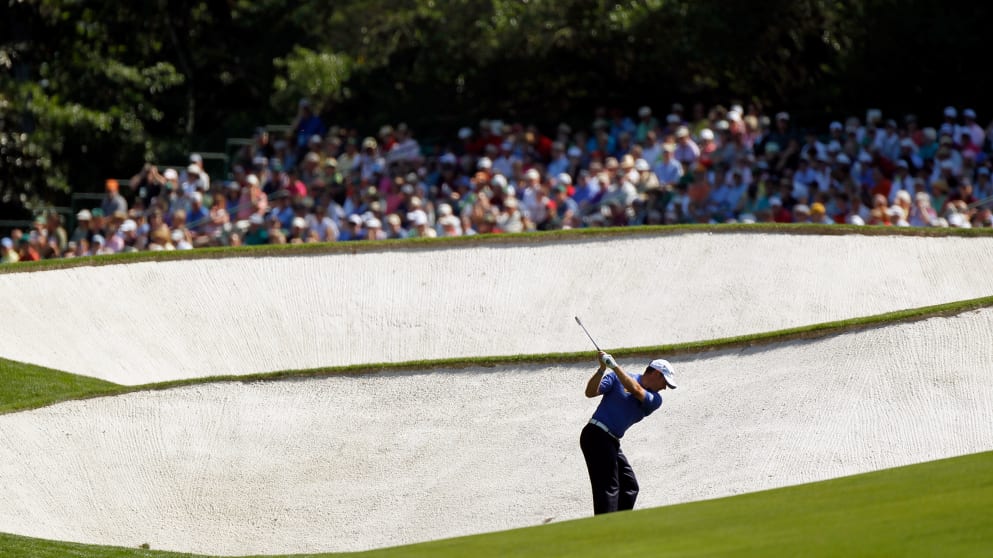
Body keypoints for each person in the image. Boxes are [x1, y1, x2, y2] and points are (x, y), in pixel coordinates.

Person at [580, 350, 677, 515]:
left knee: (629, 486)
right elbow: (590, 392)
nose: (664, 388)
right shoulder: (617, 378)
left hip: (611, 441)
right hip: (596, 434)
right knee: (608, 486)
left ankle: (619, 523)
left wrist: (615, 367)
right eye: (664, 382)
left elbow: (636, 390)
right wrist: (602, 369)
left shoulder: (655, 399)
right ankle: (605, 530)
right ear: (656, 373)